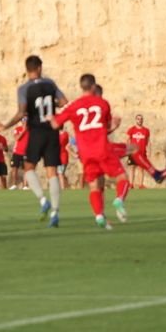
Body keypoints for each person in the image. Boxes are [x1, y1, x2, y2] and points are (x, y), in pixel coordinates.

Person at [0, 54, 67, 226]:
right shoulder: (50, 83)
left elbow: (21, 113)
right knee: (52, 172)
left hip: (36, 132)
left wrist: (5, 126)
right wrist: (51, 104)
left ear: (27, 70)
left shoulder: (24, 89)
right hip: (52, 132)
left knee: (28, 168)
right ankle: (55, 213)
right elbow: (64, 101)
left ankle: (43, 201)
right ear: (40, 68)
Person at [53, 74, 131, 229]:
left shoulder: (73, 106)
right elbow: (105, 127)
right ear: (94, 87)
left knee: (94, 186)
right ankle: (119, 199)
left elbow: (56, 123)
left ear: (81, 87)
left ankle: (99, 215)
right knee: (122, 176)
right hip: (102, 148)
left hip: (85, 153)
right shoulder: (103, 103)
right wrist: (114, 125)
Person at [124, 115, 166, 184]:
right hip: (133, 153)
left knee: (141, 169)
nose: (140, 120)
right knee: (132, 168)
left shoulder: (146, 130)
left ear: (143, 120)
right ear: (136, 120)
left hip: (142, 152)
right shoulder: (132, 129)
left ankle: (140, 184)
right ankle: (131, 184)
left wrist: (149, 150)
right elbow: (127, 140)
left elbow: (148, 142)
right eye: (138, 119)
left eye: (141, 119)